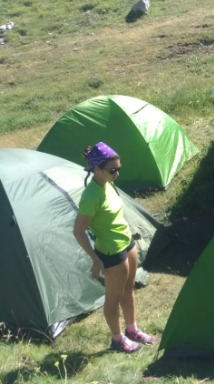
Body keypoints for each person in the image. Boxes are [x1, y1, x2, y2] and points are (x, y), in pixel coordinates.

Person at [73, 142, 154, 353]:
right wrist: (95, 259)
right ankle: (117, 340)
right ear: (96, 169)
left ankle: (132, 329)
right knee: (113, 299)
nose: (117, 173)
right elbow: (78, 231)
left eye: (119, 168)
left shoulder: (108, 183)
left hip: (127, 243)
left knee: (129, 289)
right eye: (112, 170)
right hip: (110, 252)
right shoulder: (91, 196)